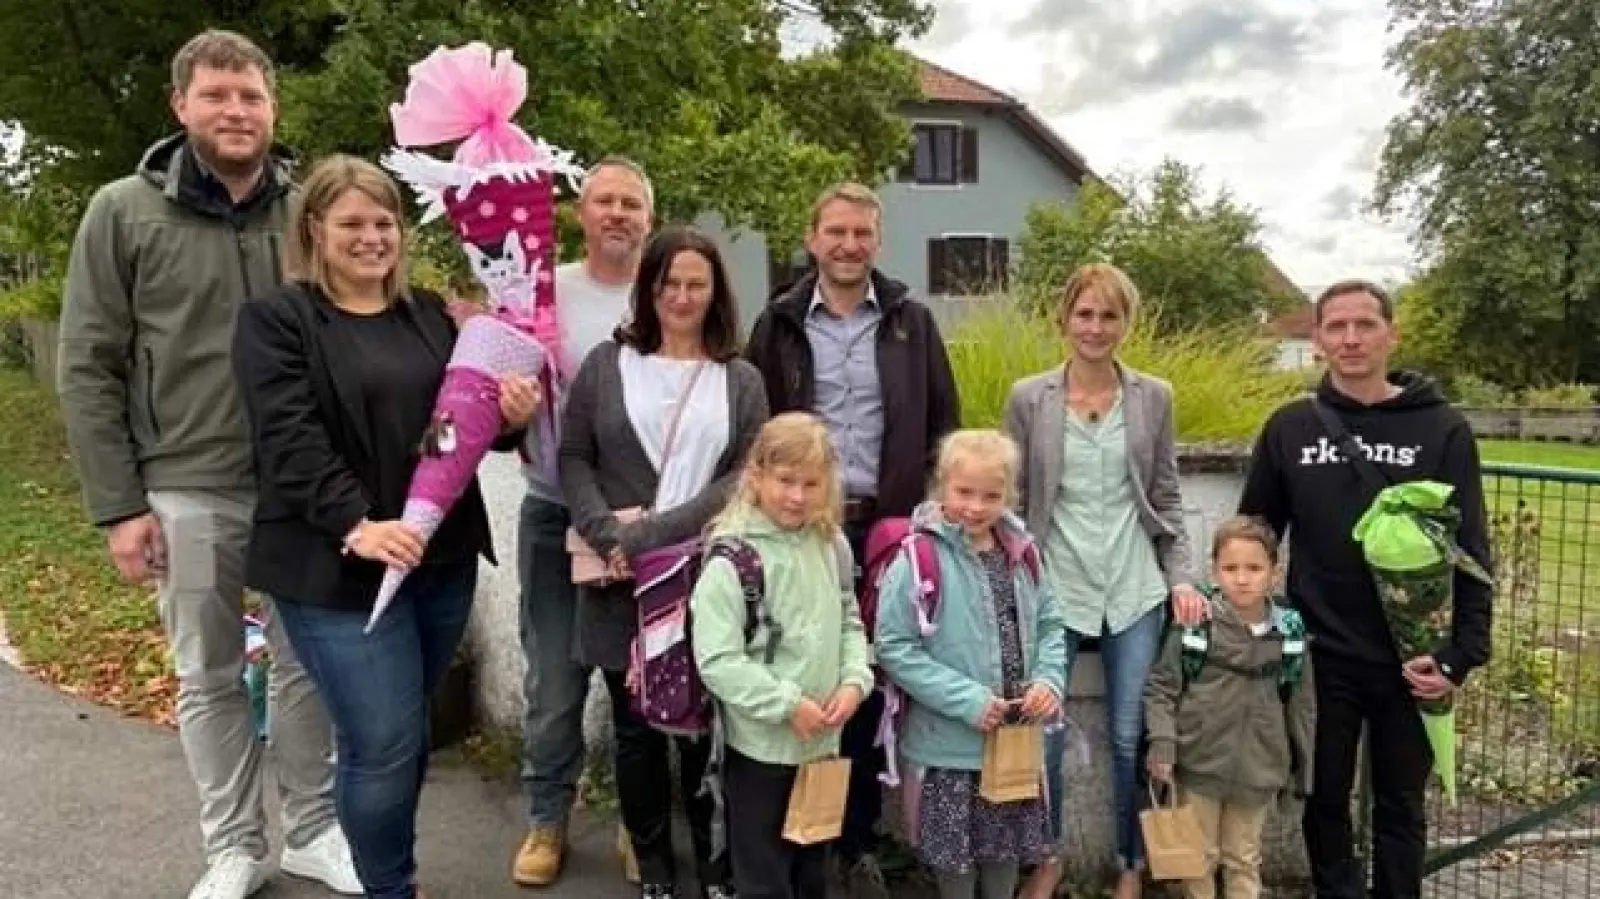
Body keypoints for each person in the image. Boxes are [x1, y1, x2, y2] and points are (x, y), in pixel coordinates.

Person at [55, 30, 359, 899]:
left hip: (301, 487)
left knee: (309, 665)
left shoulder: (310, 212)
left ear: (273, 109)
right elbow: (88, 362)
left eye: (251, 96)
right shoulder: (123, 212)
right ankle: (233, 845)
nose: (236, 111)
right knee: (208, 671)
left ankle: (312, 830)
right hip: (186, 485)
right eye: (217, 95)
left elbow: (360, 324)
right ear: (180, 104)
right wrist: (119, 505)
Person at [230, 154, 537, 899]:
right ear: (314, 229)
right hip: (335, 568)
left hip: (438, 557)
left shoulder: (428, 315)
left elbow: (448, 430)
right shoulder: (277, 321)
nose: (372, 237)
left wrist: (508, 420)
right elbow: (289, 440)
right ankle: (390, 888)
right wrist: (357, 524)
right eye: (353, 223)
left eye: (385, 222)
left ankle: (391, 871)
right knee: (382, 741)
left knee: (404, 734)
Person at [1238, 279, 1492, 899]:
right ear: (1318, 339)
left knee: (1401, 804)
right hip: (1320, 653)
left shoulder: (1442, 429)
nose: (1351, 339)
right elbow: (1254, 536)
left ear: (1391, 335)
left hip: (1414, 656)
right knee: (1324, 799)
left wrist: (1460, 656)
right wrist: (1251, 624)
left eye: (1365, 325)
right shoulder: (1291, 427)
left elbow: (1472, 550)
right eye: (1337, 326)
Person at [744, 181, 960, 898]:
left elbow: (944, 424)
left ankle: (857, 841)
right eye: (835, 231)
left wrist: (934, 516)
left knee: (867, 683)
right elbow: (754, 430)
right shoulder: (777, 324)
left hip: (887, 528)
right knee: (800, 676)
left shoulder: (910, 323)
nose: (848, 245)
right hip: (803, 526)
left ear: (878, 240)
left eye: (861, 233)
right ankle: (799, 843)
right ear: (812, 238)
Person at [560, 225, 770, 899]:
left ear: (715, 292)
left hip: (704, 579)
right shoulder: (606, 364)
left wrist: (651, 536)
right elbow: (574, 456)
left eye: (695, 284)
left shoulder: (740, 379)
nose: (681, 296)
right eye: (668, 283)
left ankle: (715, 866)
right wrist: (605, 534)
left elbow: (745, 475)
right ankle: (653, 866)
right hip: (618, 579)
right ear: (649, 290)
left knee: (703, 729)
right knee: (635, 732)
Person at [1002, 262, 1203, 899]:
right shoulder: (1029, 397)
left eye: (1109, 315)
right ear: (1064, 318)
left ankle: (1130, 863)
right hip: (1056, 586)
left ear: (1126, 323)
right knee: (1045, 733)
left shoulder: (1154, 396)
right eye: (1084, 314)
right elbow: (1012, 499)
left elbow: (1166, 495)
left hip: (1133, 584)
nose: (1095, 327)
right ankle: (1047, 857)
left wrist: (1181, 578)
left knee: (1129, 735)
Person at [513, 156, 655, 887]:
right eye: (605, 201)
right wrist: (509, 415)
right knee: (553, 681)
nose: (618, 214)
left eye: (631, 203)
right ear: (579, 212)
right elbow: (500, 396)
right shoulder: (542, 292)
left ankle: (639, 818)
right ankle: (547, 817)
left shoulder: (666, 295)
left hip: (641, 524)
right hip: (552, 510)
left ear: (650, 220)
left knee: (638, 680)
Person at [874, 429, 1069, 899]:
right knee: (956, 871)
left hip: (1013, 745)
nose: (976, 507)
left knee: (1004, 861)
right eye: (964, 492)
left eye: (991, 496)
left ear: (1009, 496)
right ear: (941, 486)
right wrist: (968, 701)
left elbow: (1050, 624)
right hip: (949, 752)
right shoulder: (918, 559)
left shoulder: (1023, 553)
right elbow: (894, 647)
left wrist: (1048, 680)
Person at [691, 412, 875, 899]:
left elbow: (850, 619)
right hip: (761, 751)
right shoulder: (732, 560)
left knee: (812, 873)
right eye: (785, 480)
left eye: (811, 484)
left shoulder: (830, 544)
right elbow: (718, 661)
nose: (797, 496)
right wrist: (787, 704)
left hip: (822, 745)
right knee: (764, 878)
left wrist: (855, 680)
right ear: (756, 476)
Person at [1142, 516, 1316, 899]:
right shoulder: (1196, 625)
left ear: (1274, 574)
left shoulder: (1289, 633)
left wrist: (1301, 771)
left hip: (1259, 769)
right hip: (1198, 764)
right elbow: (1162, 688)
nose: (1242, 579)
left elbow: (1302, 707)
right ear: (1214, 572)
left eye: (1254, 568)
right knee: (1199, 858)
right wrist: (1163, 744)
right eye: (1231, 568)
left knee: (1244, 859)